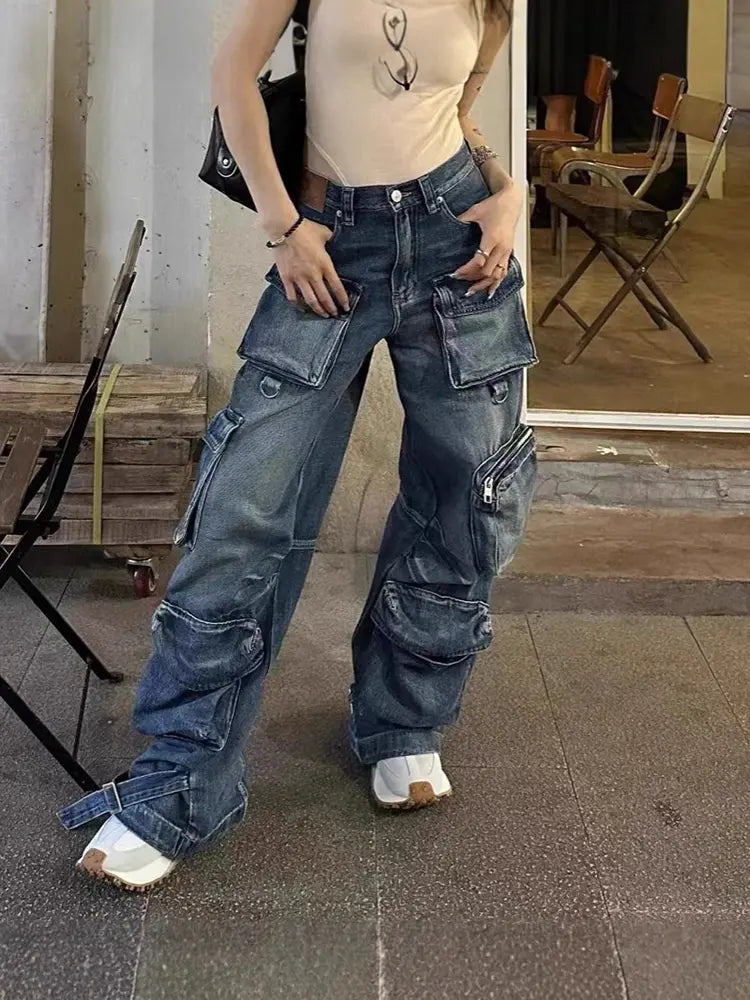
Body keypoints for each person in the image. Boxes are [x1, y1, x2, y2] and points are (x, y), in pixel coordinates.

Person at [59, 0, 537, 891]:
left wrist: (509, 191)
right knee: (243, 505)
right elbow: (232, 76)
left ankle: (401, 721)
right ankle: (184, 779)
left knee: (468, 497)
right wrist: (283, 227)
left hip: (457, 244)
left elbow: (454, 110)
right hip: (331, 243)